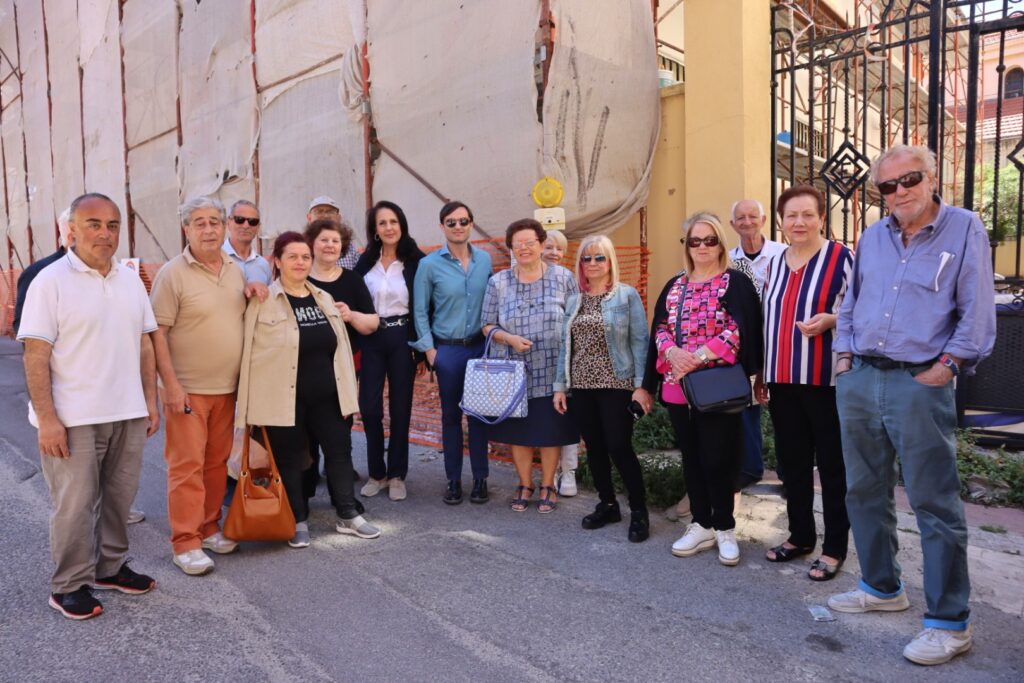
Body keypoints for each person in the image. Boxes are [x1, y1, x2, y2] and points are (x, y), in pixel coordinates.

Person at [829, 145, 996, 666]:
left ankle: (949, 622)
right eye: (887, 186)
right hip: (861, 377)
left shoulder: (964, 228)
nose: (899, 192)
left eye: (910, 180)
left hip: (919, 382)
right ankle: (882, 586)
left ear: (933, 177)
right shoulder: (873, 236)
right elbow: (850, 302)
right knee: (862, 489)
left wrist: (948, 365)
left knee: (934, 501)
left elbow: (977, 309)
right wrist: (842, 358)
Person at [18, 193, 159, 620]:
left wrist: (149, 401)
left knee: (119, 498)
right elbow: (35, 355)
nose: (104, 233)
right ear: (72, 231)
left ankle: (110, 568)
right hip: (74, 417)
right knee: (75, 505)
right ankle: (69, 586)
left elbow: (144, 342)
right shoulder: (50, 281)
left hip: (127, 412)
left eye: (112, 225)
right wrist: (47, 420)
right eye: (93, 224)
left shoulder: (129, 279)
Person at [236, 231, 378, 547]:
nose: (300, 262)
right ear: (277, 261)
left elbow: (340, 350)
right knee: (290, 459)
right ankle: (297, 519)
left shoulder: (324, 299)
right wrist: (248, 407)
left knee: (340, 453)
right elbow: (249, 356)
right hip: (282, 398)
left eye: (305, 257)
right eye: (292, 256)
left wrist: (348, 396)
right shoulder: (262, 301)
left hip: (327, 396)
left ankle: (347, 514)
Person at [150, 196, 267, 576]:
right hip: (187, 389)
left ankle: (208, 527)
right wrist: (169, 385)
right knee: (186, 467)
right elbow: (157, 335)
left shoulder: (235, 269)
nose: (208, 229)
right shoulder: (172, 273)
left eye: (215, 222)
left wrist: (252, 291)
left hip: (226, 389)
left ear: (225, 226)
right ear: (186, 229)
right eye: (199, 223)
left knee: (217, 464)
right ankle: (184, 542)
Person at [642, 211, 762, 566]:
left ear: (721, 243)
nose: (702, 247)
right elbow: (660, 325)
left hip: (716, 385)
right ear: (687, 246)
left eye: (710, 240)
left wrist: (696, 356)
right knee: (691, 456)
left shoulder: (735, 282)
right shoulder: (675, 284)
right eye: (695, 241)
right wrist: (673, 352)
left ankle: (724, 526)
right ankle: (701, 523)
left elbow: (741, 329)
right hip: (679, 384)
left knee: (719, 457)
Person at [755, 185, 853, 581]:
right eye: (791, 215)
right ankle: (800, 536)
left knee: (832, 467)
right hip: (782, 379)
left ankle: (833, 549)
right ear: (781, 221)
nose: (799, 222)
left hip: (825, 381)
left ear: (821, 219)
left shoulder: (841, 258)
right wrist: (761, 373)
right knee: (791, 465)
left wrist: (832, 321)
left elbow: (861, 312)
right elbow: (767, 322)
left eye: (807, 215)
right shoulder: (775, 264)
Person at [553, 235, 651, 540]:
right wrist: (560, 386)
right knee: (594, 448)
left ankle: (639, 511)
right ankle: (607, 503)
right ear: (580, 264)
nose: (593, 263)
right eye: (587, 258)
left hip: (617, 383)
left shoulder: (626, 296)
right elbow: (564, 347)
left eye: (600, 258)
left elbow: (640, 342)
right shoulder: (574, 300)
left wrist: (641, 387)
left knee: (619, 446)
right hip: (581, 385)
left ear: (610, 262)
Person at [482, 219, 579, 514]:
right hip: (513, 371)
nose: (524, 248)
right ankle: (525, 484)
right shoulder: (498, 282)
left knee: (550, 431)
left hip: (553, 371)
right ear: (511, 247)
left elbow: (575, 321)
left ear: (540, 244)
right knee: (519, 433)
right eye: (518, 243)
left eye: (530, 242)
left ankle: (548, 484)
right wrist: (508, 338)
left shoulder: (564, 278)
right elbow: (486, 325)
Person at [412, 201, 493, 505]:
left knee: (479, 417)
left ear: (471, 224)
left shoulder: (485, 260)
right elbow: (419, 311)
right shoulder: (429, 265)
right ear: (442, 226)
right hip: (447, 350)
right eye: (451, 222)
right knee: (450, 417)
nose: (458, 227)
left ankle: (481, 479)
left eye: (463, 221)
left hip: (479, 348)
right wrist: (430, 351)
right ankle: (454, 480)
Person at [353, 201, 426, 501]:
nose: (389, 227)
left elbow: (424, 306)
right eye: (382, 223)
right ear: (375, 230)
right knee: (369, 408)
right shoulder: (365, 261)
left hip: (402, 336)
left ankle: (396, 475)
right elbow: (350, 293)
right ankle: (376, 472)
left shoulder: (416, 260)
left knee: (400, 408)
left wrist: (421, 350)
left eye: (393, 221)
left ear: (402, 224)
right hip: (371, 335)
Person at [303, 218, 378, 501]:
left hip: (344, 368)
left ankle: (341, 496)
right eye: (324, 239)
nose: (330, 245)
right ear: (312, 243)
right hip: (305, 368)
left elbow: (372, 323)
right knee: (306, 432)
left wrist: (351, 315)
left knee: (339, 430)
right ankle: (305, 492)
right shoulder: (299, 278)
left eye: (335, 241)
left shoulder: (352, 281)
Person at [727, 199, 788, 493]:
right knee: (746, 406)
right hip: (746, 344)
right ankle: (750, 468)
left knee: (785, 408)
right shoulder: (727, 260)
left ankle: (790, 473)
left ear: (763, 220)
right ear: (732, 225)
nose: (747, 222)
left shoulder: (783, 255)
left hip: (780, 340)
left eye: (753, 216)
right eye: (741, 218)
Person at [541, 229, 580, 498]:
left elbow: (575, 313)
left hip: (564, 357)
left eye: (559, 249)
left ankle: (570, 471)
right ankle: (550, 472)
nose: (554, 252)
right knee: (544, 419)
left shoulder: (568, 278)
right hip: (538, 359)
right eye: (549, 247)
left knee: (567, 414)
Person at [13, 209, 71, 335]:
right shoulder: (37, 273)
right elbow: (24, 326)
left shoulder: (118, 274)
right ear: (70, 236)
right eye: (94, 226)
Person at [224, 199, 272, 285]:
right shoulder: (214, 258)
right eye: (239, 219)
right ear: (228, 222)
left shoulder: (263, 265)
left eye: (253, 222)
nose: (246, 226)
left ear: (258, 227)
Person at [308, 196, 359, 268]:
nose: (325, 216)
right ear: (309, 218)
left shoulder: (349, 247)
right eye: (319, 211)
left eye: (330, 211)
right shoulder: (301, 245)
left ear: (338, 218)